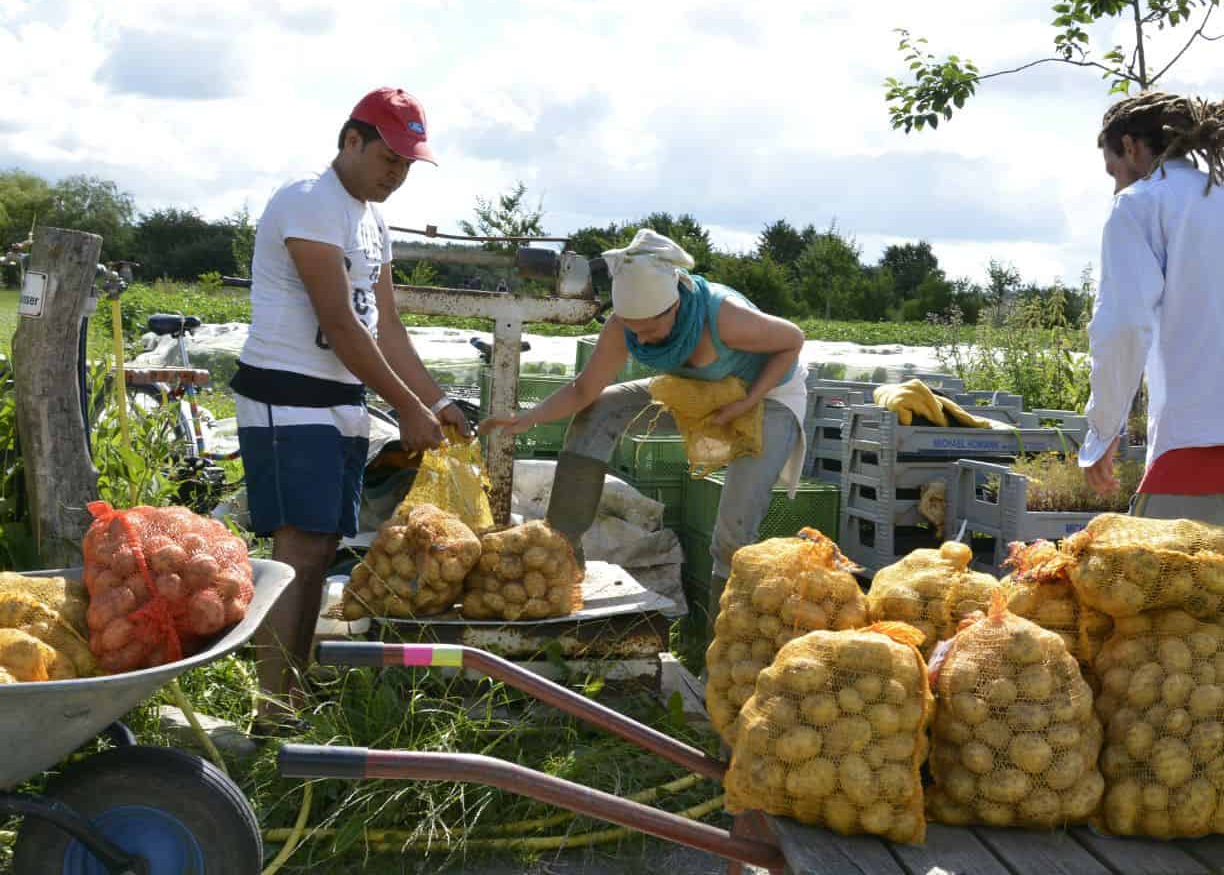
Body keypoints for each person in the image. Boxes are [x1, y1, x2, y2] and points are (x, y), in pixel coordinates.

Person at [233, 87, 470, 730]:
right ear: (351, 140)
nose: (396, 174)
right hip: (288, 397)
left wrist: (437, 400)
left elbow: (385, 326)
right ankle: (271, 710)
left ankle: (292, 696)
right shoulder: (309, 203)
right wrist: (406, 409)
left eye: (407, 164)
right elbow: (339, 324)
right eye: (388, 157)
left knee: (323, 548)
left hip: (339, 403)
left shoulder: (372, 221)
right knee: (297, 555)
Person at [479, 229, 807, 627]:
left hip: (769, 395)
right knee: (601, 409)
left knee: (732, 535)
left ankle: (721, 655)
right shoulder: (626, 328)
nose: (643, 338)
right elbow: (584, 389)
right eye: (634, 328)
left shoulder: (722, 316)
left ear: (676, 304)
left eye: (652, 326)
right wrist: (527, 418)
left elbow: (792, 341)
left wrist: (747, 402)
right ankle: (562, 556)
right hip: (699, 390)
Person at [1078, 92, 1224, 577]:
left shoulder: (1139, 205)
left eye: (1112, 168)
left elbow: (1122, 324)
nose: (1115, 183)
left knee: (1156, 622)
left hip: (1198, 450)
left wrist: (1102, 431)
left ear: (1131, 146)